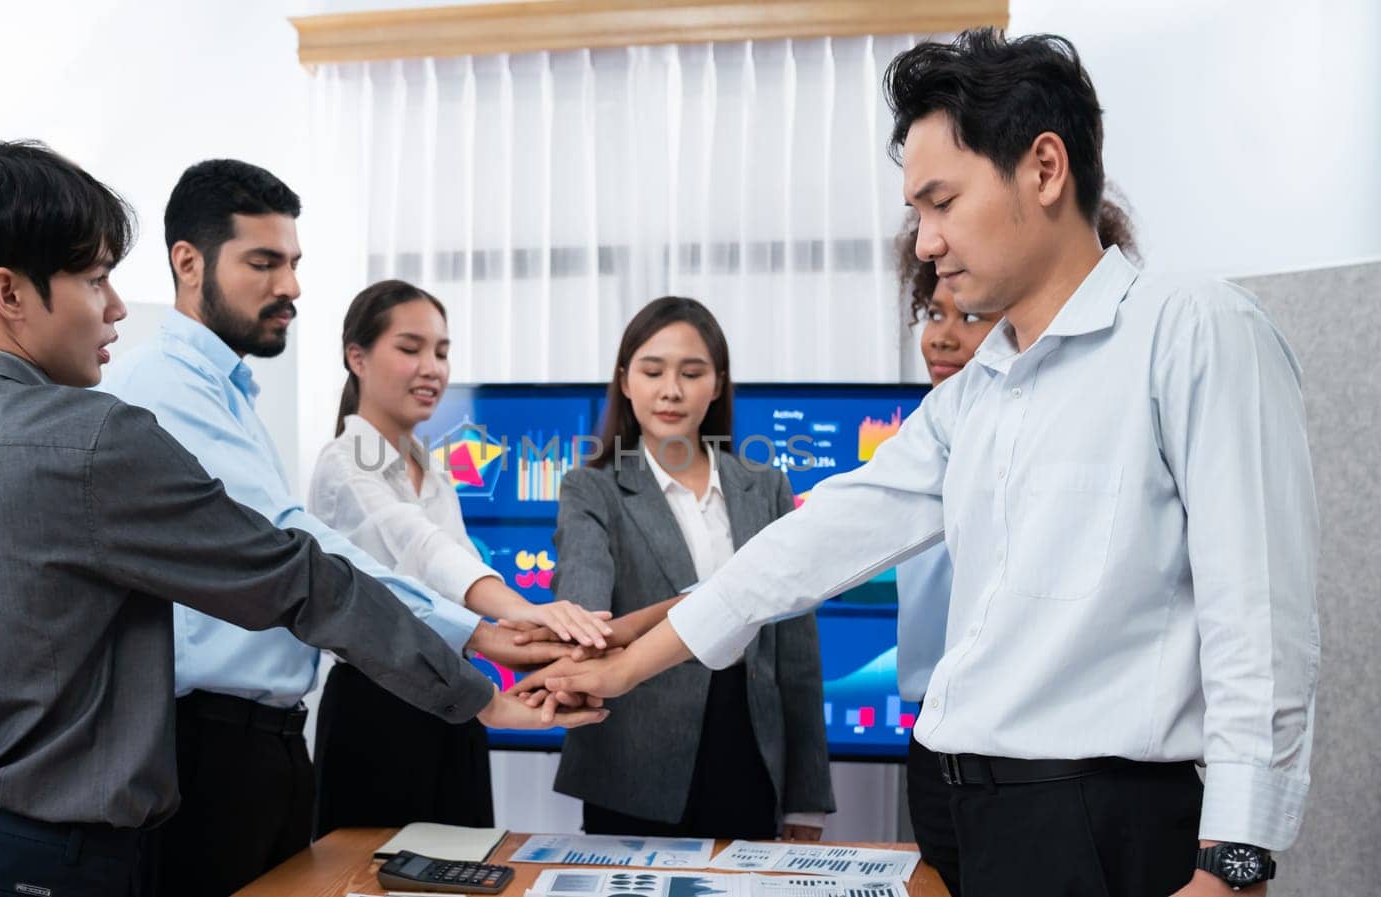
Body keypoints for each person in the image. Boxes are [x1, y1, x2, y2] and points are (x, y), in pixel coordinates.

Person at [521, 29, 1318, 897]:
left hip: (1101, 821)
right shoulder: (979, 390)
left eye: (942, 202)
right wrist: (626, 664)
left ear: (1044, 168)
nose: (927, 242)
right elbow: (813, 543)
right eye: (918, 214)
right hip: (979, 818)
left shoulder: (1192, 328)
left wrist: (1235, 866)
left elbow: (1261, 619)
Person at [0, 141, 604, 897]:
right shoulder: (97, 439)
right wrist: (473, 690)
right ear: (8, 294)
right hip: (76, 863)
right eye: (95, 279)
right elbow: (291, 573)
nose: (112, 307)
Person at [98, 162, 584, 896]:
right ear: (187, 261)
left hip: (280, 730)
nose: (290, 286)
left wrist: (488, 634)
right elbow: (308, 548)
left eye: (293, 264)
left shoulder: (232, 395)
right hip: (237, 735)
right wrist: (484, 630)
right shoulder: (173, 391)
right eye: (264, 263)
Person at [891, 196, 1140, 896]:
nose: (941, 337)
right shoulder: (933, 430)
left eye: (968, 317)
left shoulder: (1085, 426)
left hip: (1052, 764)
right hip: (939, 747)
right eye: (932, 315)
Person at [305, 279, 611, 836]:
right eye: (410, 347)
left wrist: (544, 648)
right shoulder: (344, 460)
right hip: (377, 713)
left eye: (442, 352)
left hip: (455, 698)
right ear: (358, 357)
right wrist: (525, 612)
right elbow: (422, 549)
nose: (432, 368)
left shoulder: (432, 468)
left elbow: (457, 564)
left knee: (466, 870)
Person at [544, 296, 834, 840]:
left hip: (749, 751)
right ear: (625, 382)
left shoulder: (765, 487)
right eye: (652, 371)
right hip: (631, 758)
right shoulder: (592, 488)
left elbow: (796, 654)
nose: (671, 390)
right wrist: (580, 626)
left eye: (692, 372)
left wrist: (806, 801)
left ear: (718, 384)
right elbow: (585, 601)